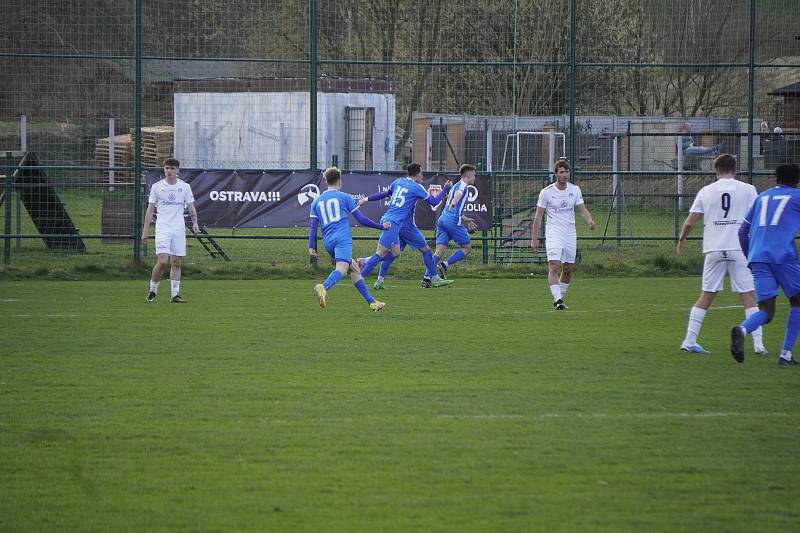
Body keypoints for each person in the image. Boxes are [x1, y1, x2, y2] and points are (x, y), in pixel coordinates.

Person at [676, 154, 765, 355]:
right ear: (735, 169)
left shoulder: (706, 191)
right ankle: (758, 345)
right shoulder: (748, 189)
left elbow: (690, 222)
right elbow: (758, 219)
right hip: (739, 247)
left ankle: (689, 341)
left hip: (713, 248)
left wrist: (681, 240)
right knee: (748, 296)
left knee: (706, 295)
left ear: (716, 170)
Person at [731, 163, 800, 365]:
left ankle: (742, 329)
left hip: (757, 256)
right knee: (797, 301)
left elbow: (742, 231)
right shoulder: (797, 197)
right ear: (797, 180)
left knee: (766, 312)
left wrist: (750, 257)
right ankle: (786, 354)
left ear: (775, 178)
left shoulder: (762, 197)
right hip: (782, 256)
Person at [358, 163, 454, 288]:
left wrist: (365, 200)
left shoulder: (398, 182)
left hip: (392, 221)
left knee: (395, 253)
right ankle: (360, 276)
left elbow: (385, 194)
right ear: (418, 173)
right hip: (393, 223)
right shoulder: (416, 187)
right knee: (380, 253)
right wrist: (445, 189)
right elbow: (434, 201)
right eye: (422, 172)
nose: (422, 175)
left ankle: (379, 281)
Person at [308, 167, 388, 311]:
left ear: (326, 181)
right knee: (342, 269)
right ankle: (324, 287)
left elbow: (313, 227)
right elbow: (361, 219)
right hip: (342, 239)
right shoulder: (345, 197)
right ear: (340, 181)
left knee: (355, 269)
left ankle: (372, 302)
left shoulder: (316, 202)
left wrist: (311, 246)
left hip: (328, 242)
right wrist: (381, 227)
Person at [531, 160, 596, 310]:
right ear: (556, 174)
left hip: (570, 233)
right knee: (554, 265)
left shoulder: (575, 190)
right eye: (561, 172)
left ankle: (559, 297)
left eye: (567, 172)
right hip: (554, 233)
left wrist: (590, 220)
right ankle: (558, 300)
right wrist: (534, 239)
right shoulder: (546, 192)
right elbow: (538, 216)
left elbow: (582, 209)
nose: (565, 175)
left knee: (568, 269)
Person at [141, 158, 199, 304]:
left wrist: (195, 223)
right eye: (167, 168)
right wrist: (145, 230)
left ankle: (175, 295)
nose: (169, 171)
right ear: (164, 170)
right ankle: (152, 291)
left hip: (178, 229)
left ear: (178, 171)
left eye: (172, 169)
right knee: (162, 261)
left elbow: (191, 207)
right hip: (163, 228)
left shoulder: (184, 187)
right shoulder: (157, 187)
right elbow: (150, 210)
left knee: (176, 262)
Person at [434, 164, 479, 280]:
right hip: (452, 222)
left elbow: (454, 205)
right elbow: (458, 196)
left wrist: (465, 219)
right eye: (474, 175)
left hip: (442, 219)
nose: (475, 177)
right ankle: (444, 265)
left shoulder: (455, 185)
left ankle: (427, 277)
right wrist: (454, 202)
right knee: (467, 248)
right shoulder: (463, 186)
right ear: (468, 175)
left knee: (439, 251)